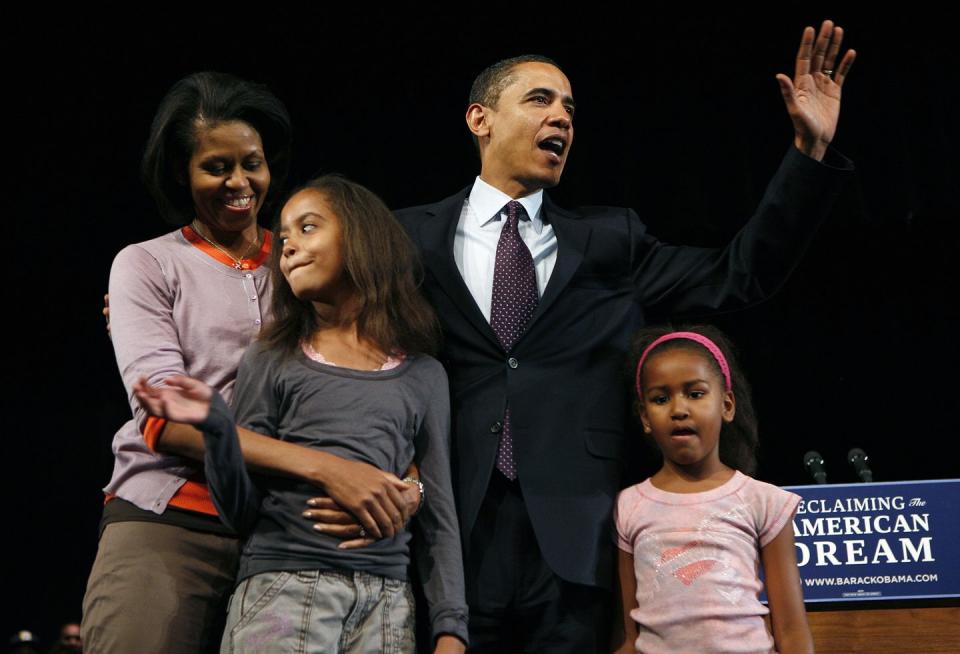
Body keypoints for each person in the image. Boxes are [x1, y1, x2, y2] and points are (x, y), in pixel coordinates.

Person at [393, 20, 853, 652]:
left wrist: (808, 154)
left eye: (570, 110)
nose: (562, 117)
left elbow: (740, 274)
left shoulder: (611, 241)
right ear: (480, 118)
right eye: (540, 100)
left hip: (576, 536)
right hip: (453, 534)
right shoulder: (407, 238)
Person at [83, 73, 417, 654]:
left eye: (252, 163)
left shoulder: (311, 263)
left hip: (293, 533)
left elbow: (385, 382)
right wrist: (325, 466)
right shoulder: (147, 265)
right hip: (174, 519)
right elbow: (166, 423)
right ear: (181, 174)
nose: (239, 182)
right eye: (216, 167)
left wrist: (408, 482)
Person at [134, 175, 467, 653]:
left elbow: (439, 514)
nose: (287, 246)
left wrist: (451, 629)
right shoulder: (272, 359)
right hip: (283, 593)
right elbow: (240, 509)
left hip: (389, 608)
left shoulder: (424, 375)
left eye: (308, 228)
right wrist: (217, 427)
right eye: (284, 236)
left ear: (361, 237)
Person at [614, 326, 808, 653]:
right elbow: (627, 637)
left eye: (695, 393)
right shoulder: (628, 506)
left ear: (727, 405)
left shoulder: (762, 501)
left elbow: (790, 628)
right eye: (661, 399)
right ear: (645, 417)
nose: (679, 409)